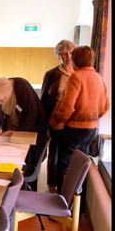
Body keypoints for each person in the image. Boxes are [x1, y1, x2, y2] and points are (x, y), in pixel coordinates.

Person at [50, 46, 109, 192]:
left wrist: (56, 120)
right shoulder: (99, 78)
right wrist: (93, 118)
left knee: (65, 164)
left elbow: (67, 106)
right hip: (91, 129)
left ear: (76, 60)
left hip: (74, 128)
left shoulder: (77, 77)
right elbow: (106, 106)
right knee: (81, 165)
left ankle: (62, 200)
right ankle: (78, 202)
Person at [0, 77, 49, 191]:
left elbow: (32, 114)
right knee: (7, 160)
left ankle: (26, 193)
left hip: (32, 132)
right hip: (12, 135)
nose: (0, 103)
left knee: (27, 163)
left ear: (9, 94)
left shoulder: (21, 87)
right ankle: (6, 191)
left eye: (2, 100)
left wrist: (17, 132)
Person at [41, 39, 76, 194]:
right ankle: (52, 185)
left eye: (70, 52)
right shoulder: (52, 74)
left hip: (74, 123)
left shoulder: (80, 73)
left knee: (68, 156)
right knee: (54, 153)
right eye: (64, 53)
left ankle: (66, 188)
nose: (68, 56)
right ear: (58, 56)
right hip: (55, 120)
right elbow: (44, 99)